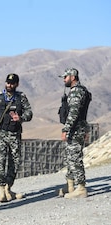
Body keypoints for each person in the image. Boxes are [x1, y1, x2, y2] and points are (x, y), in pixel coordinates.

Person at [0, 73, 33, 202]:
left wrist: (21, 118)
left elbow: (29, 113)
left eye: (12, 83)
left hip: (15, 135)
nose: (9, 85)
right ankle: (1, 191)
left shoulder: (21, 98)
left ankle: (8, 188)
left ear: (17, 84)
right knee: (0, 162)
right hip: (0, 135)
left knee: (14, 163)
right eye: (7, 83)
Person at [58, 68, 91, 198]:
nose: (64, 80)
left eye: (65, 77)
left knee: (75, 158)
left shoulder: (77, 92)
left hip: (75, 129)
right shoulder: (77, 91)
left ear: (73, 77)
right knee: (70, 157)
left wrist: (66, 129)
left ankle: (81, 187)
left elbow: (74, 112)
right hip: (76, 128)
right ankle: (70, 185)